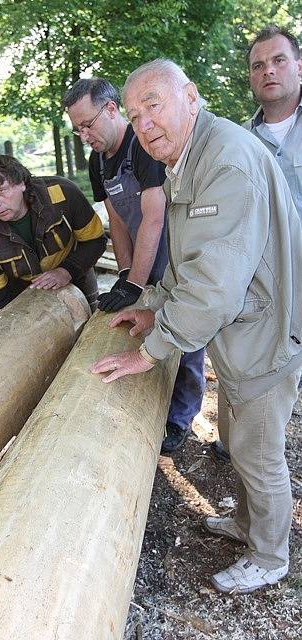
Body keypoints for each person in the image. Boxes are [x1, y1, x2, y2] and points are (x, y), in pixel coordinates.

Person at [91, 59, 302, 594]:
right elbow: (190, 265)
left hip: (265, 335)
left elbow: (212, 288)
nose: (144, 125)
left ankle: (271, 555)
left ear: (191, 95)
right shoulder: (192, 154)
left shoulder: (224, 160)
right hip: (242, 332)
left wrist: (152, 349)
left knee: (258, 454)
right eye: (135, 116)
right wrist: (153, 305)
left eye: (154, 105)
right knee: (235, 438)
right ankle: (249, 524)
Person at [63, 78, 205, 453]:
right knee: (140, 326)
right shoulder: (98, 163)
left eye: (88, 124)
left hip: (172, 256)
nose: (84, 134)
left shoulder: (141, 146)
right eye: (77, 128)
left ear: (111, 110)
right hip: (141, 261)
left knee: (184, 337)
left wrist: (137, 282)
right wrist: (126, 276)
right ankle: (148, 402)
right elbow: (118, 221)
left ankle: (180, 418)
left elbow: (154, 218)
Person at [212, 25, 302, 463]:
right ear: (250, 78)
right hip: (263, 296)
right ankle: (249, 513)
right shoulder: (240, 143)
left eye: (279, 60)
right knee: (256, 411)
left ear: (299, 66)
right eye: (258, 65)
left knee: (266, 431)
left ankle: (267, 525)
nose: (269, 71)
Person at [0, 154, 106, 317]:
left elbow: (95, 240)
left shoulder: (62, 193)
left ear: (21, 183)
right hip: (24, 293)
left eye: (1, 190)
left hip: (77, 274)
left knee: (89, 328)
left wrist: (66, 271)